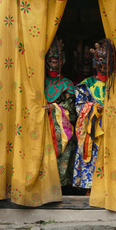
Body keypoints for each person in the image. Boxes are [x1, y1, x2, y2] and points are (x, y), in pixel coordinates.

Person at [73, 38, 116, 190]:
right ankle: (90, 191)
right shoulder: (86, 84)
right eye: (100, 59)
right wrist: (92, 109)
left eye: (107, 60)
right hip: (94, 131)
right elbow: (79, 107)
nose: (103, 63)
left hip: (113, 131)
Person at [44, 36, 77, 187]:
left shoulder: (67, 84)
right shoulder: (38, 81)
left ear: (63, 59)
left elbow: (72, 109)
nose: (53, 59)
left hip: (62, 131)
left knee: (63, 159)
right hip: (43, 129)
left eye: (57, 57)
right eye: (50, 56)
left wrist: (53, 108)